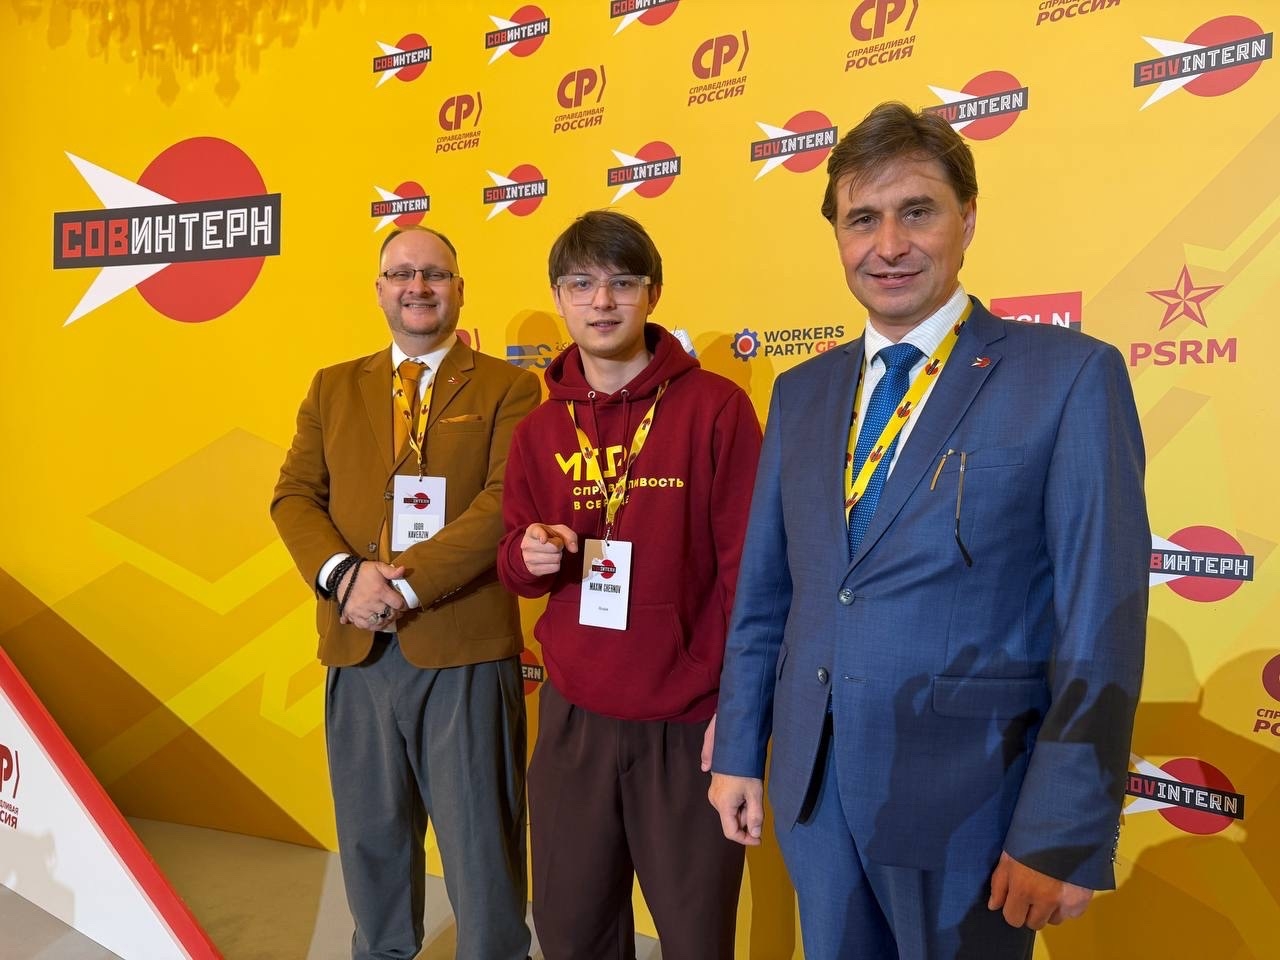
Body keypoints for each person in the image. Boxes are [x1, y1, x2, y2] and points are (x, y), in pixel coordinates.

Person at [708, 102, 1149, 960]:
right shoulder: (801, 392)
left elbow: (1101, 622)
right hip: (815, 797)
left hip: (974, 809)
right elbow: (768, 595)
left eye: (917, 212)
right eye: (861, 220)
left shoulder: (1068, 376)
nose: (889, 245)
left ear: (968, 219)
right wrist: (738, 747)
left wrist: (1061, 830)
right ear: (837, 236)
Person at [496, 210, 762, 960]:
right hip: (574, 720)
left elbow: (752, 574)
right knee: (571, 934)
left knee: (695, 939)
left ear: (653, 293)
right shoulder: (538, 430)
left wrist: (739, 711)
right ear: (559, 297)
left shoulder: (715, 408)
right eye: (581, 284)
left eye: (622, 282)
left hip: (689, 723)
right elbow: (511, 560)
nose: (602, 301)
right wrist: (529, 554)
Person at [271, 225, 539, 960]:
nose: (417, 287)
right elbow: (295, 497)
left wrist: (406, 587)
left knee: (482, 849)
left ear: (459, 289)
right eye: (401, 274)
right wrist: (344, 578)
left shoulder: (510, 386)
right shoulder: (332, 386)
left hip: (462, 649)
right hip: (356, 646)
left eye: (434, 274)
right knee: (370, 843)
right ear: (380, 289)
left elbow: (505, 503)